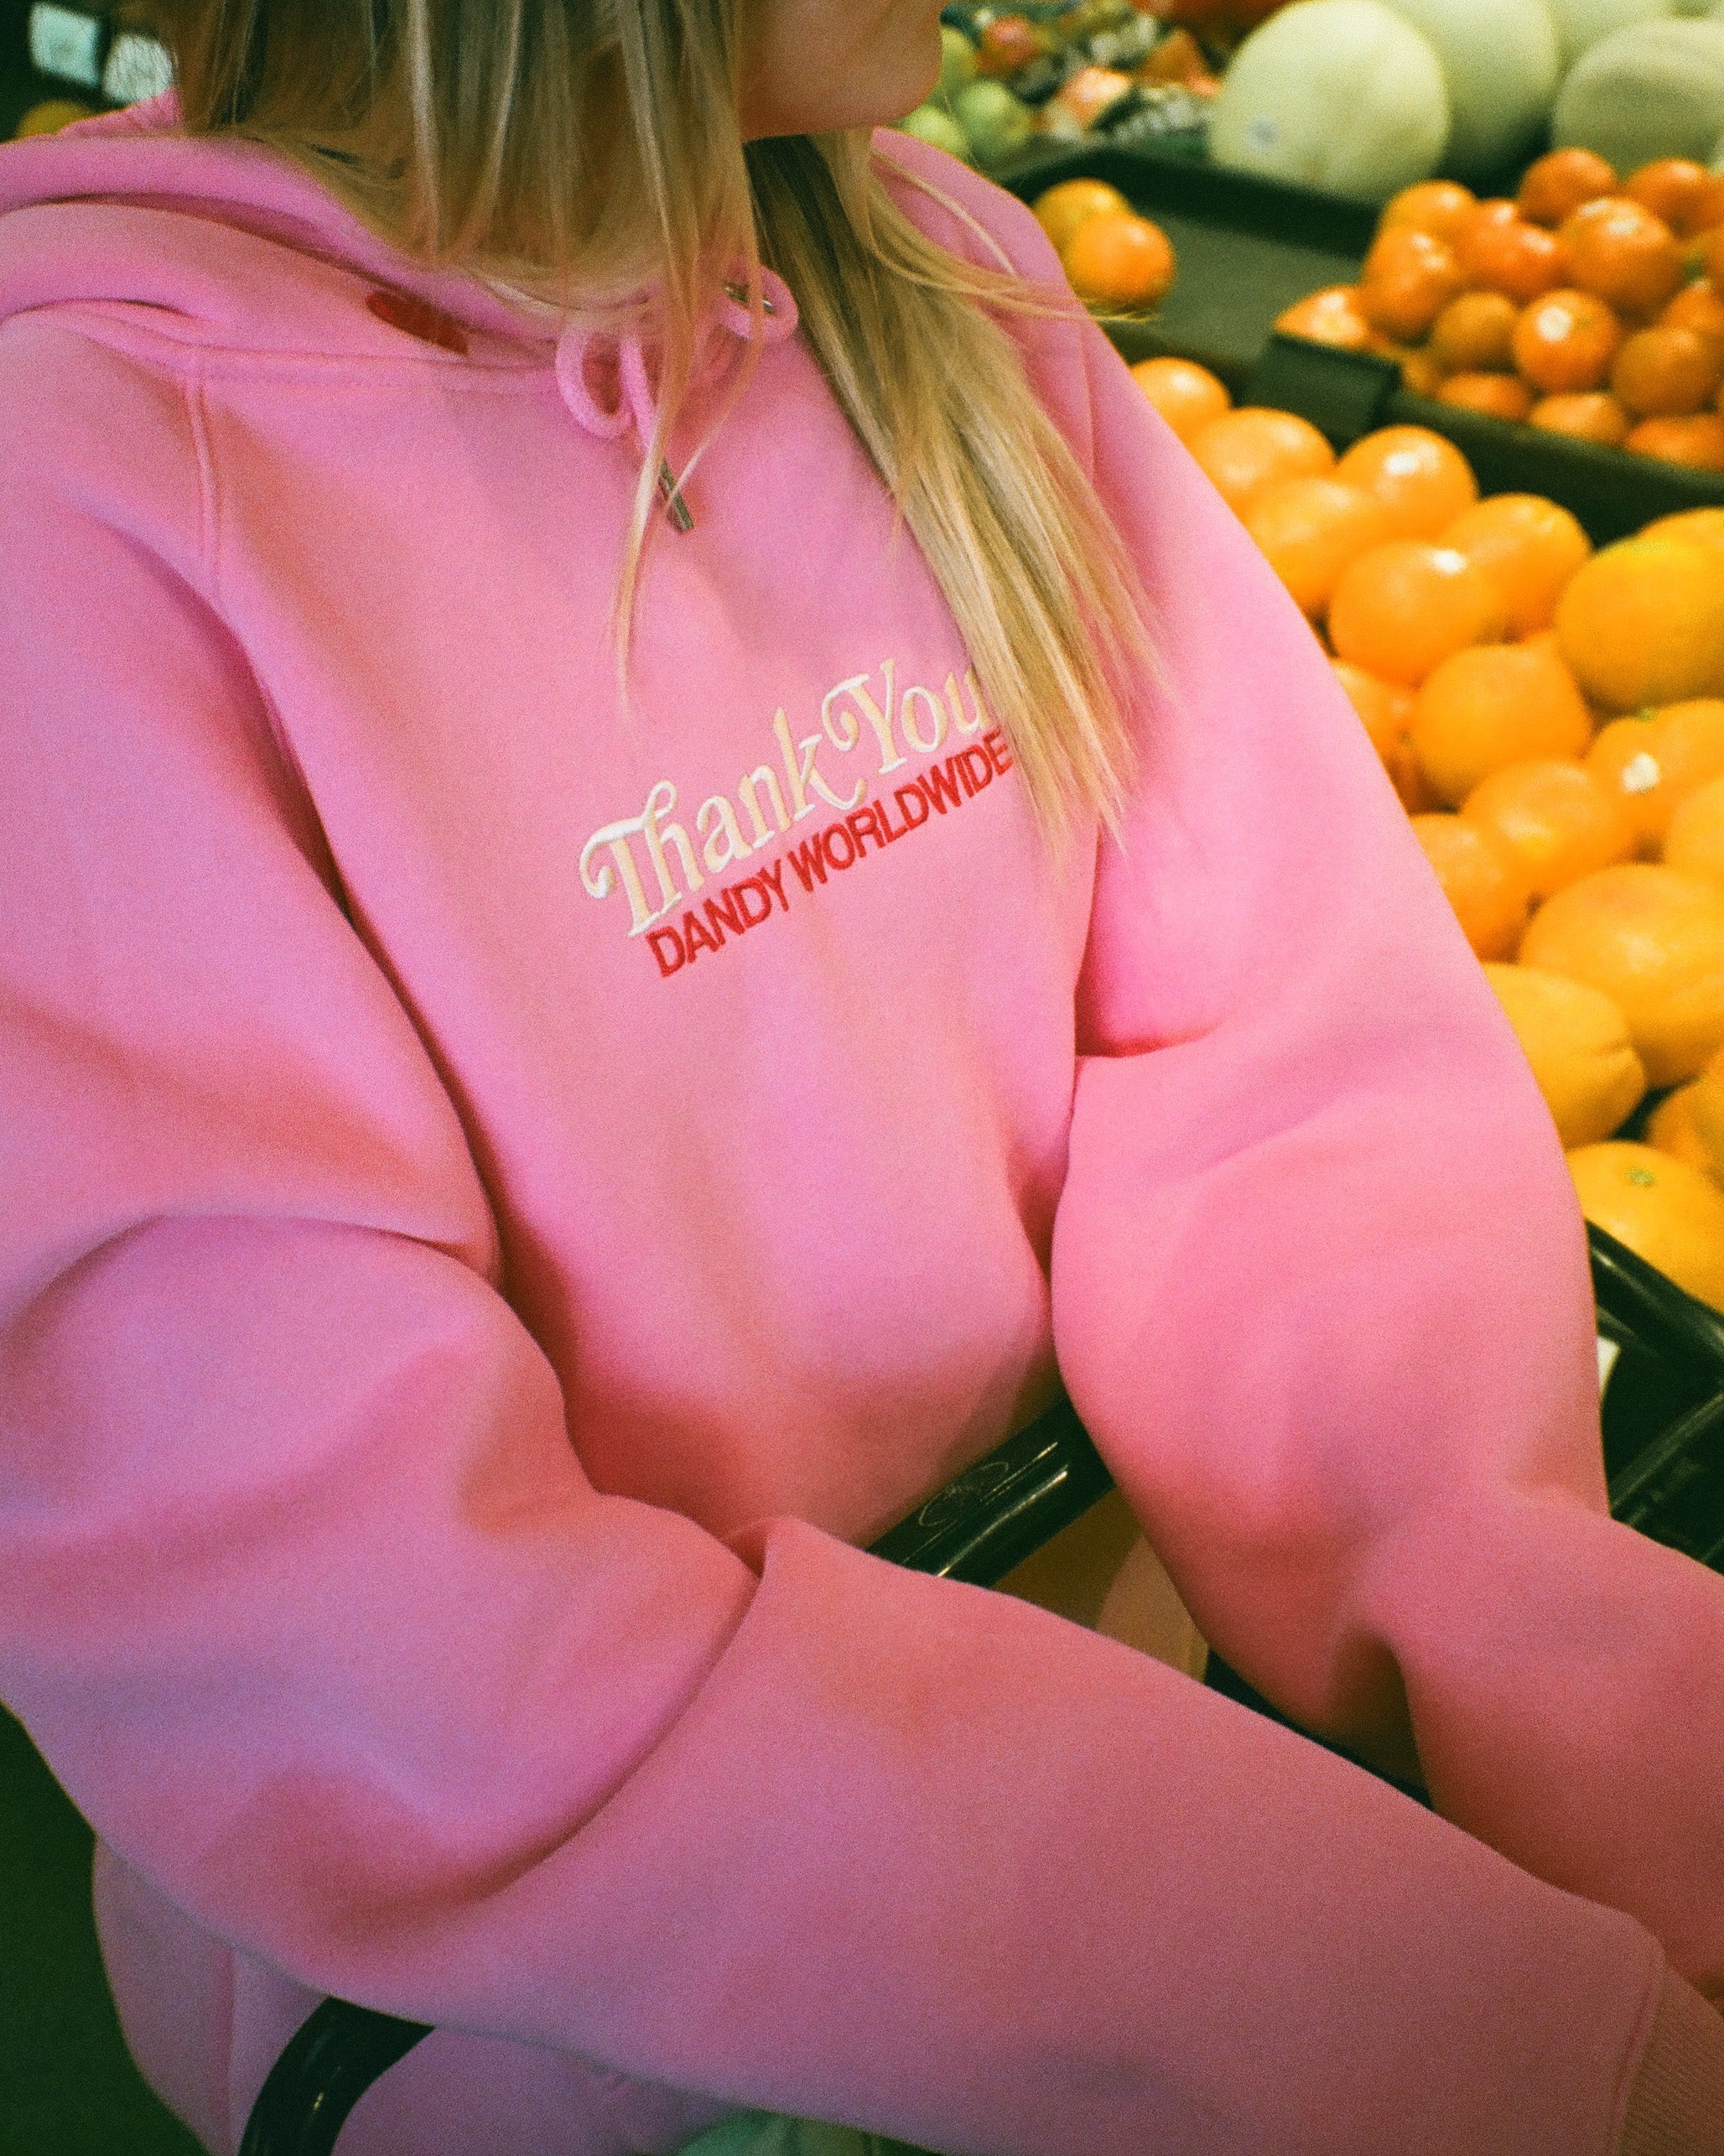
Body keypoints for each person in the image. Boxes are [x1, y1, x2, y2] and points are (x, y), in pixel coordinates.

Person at [1, 3, 1721, 2152]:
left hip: (1186, 1863)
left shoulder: (940, 277)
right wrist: (1443, 2030)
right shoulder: (71, 518)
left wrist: (1587, 1704)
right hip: (563, 2051)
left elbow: (1277, 1083)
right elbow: (378, 1646)